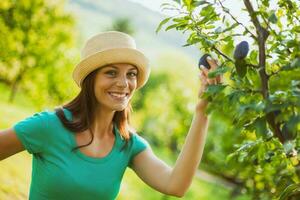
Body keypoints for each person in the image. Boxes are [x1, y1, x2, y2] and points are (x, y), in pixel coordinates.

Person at [0, 31, 222, 199]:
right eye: (111, 73)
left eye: (131, 74)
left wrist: (203, 110)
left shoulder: (128, 145)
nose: (124, 83)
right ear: (91, 79)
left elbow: (176, 185)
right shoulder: (50, 126)